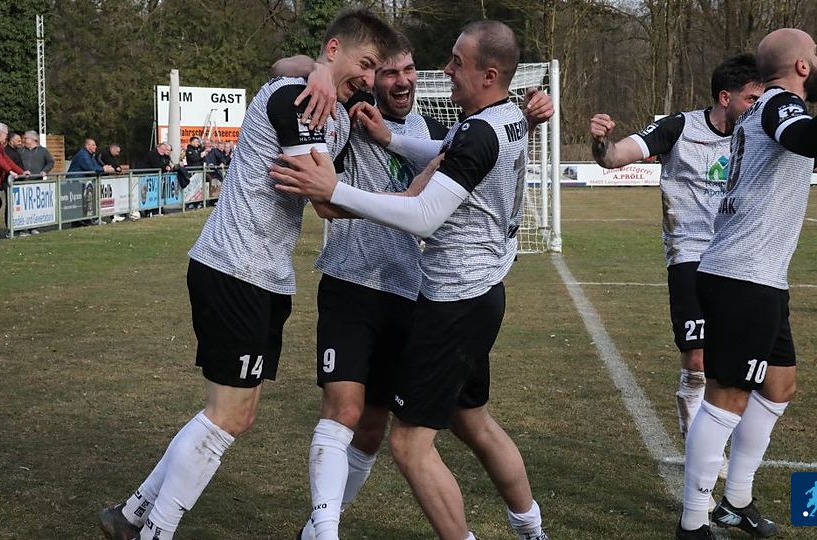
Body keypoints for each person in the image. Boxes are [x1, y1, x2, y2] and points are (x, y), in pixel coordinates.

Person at [97, 9, 398, 540]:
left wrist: (321, 72)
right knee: (228, 414)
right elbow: (325, 200)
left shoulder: (324, 100)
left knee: (235, 413)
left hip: (263, 276)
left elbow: (287, 62)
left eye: (377, 70)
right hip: (236, 269)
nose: (370, 79)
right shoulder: (296, 99)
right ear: (335, 49)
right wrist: (414, 203)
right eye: (366, 64)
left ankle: (132, 514)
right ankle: (155, 530)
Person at [271, 20, 552, 540]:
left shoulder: (477, 132)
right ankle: (532, 529)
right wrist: (327, 77)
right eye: (388, 71)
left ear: (489, 75)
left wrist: (335, 190)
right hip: (472, 291)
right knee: (472, 422)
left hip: (452, 301)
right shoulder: (506, 118)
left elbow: (424, 215)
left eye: (457, 63)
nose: (445, 71)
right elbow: (449, 150)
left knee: (408, 444)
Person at [677, 28, 817, 540]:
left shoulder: (771, 112)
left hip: (762, 277)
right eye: (816, 55)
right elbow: (812, 141)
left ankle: (735, 501)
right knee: (728, 396)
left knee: (778, 386)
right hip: (742, 276)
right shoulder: (780, 105)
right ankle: (692, 522)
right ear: (802, 66)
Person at [588, 55, 762, 447]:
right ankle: (696, 439)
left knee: (733, 363)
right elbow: (613, 158)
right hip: (690, 254)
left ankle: (716, 438)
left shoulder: (758, 133)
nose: (758, 107)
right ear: (725, 97)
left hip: (738, 258)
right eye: (752, 99)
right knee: (698, 359)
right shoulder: (679, 127)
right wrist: (601, 141)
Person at [19, 131, 55, 235]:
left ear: (33, 139)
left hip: (36, 182)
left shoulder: (43, 151)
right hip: (22, 182)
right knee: (22, 206)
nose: (24, 140)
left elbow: (50, 162)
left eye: (26, 138)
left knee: (33, 205)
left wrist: (45, 171)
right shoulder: (20, 151)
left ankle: (33, 227)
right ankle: (21, 228)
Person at [2, 132, 24, 235]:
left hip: (17, 182)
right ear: (11, 141)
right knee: (11, 205)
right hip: (11, 182)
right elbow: (9, 166)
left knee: (16, 206)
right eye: (18, 141)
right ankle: (11, 227)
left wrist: (22, 172)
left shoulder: (15, 151)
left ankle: (17, 226)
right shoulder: (7, 152)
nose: (20, 143)